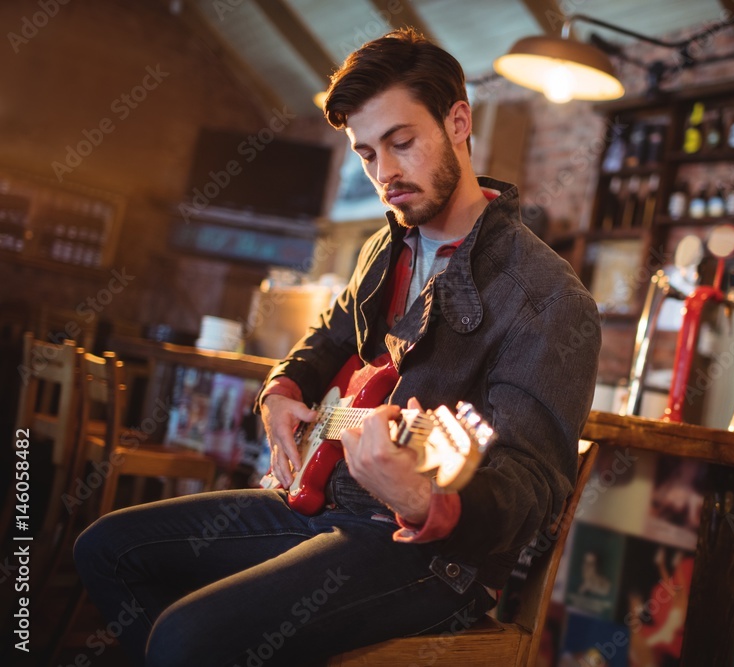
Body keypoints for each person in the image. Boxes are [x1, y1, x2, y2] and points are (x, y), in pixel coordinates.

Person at [73, 27, 601, 666]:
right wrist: (282, 392)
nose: (385, 172)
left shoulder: (549, 296)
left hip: (433, 559)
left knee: (186, 639)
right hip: (328, 503)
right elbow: (326, 338)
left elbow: (532, 489)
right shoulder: (385, 247)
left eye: (402, 142)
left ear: (459, 121)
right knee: (105, 549)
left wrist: (425, 498)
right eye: (367, 153)